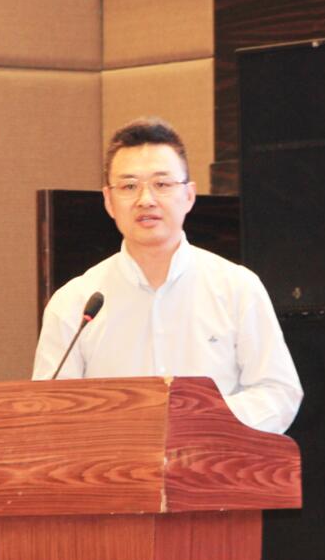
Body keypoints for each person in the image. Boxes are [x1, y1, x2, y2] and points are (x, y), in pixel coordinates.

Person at [32, 116, 302, 435]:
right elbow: (50, 411)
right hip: (115, 463)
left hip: (214, 458)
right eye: (129, 186)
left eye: (161, 184)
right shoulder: (75, 303)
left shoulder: (237, 287)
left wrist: (202, 421)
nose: (146, 200)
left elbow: (278, 392)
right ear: (108, 201)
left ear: (189, 195)